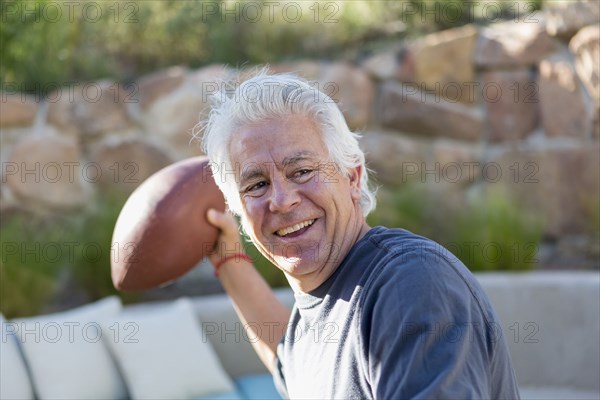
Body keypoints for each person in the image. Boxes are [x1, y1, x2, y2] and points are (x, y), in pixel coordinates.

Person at [200, 71, 521, 399]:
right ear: (240, 212)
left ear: (352, 178)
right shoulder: (309, 324)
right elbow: (291, 366)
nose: (281, 201)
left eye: (302, 171)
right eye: (256, 185)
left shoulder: (410, 282)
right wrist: (228, 260)